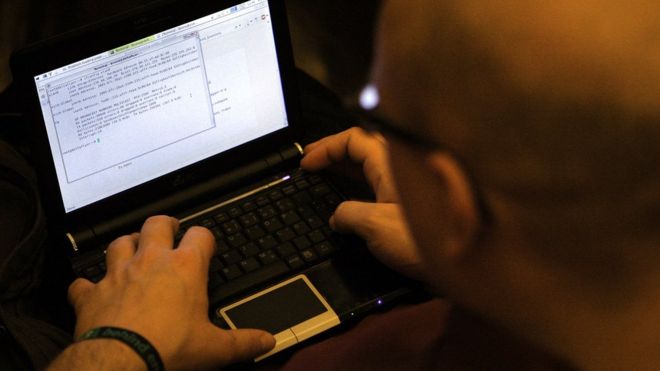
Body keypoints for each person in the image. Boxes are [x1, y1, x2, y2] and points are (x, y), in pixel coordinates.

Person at [48, 0, 660, 370]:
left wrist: (122, 350)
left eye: (382, 115)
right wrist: (464, 261)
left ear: (452, 203)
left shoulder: (373, 362)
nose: (370, 133)